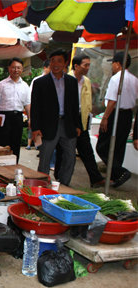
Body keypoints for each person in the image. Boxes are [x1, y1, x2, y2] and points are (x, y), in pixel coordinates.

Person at [31, 49, 81, 186]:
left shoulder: (71, 82)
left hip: (68, 124)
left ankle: (64, 184)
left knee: (70, 157)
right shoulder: (40, 83)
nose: (55, 64)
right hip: (48, 126)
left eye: (59, 61)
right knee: (45, 158)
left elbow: (75, 105)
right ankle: (41, 185)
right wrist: (35, 128)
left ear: (65, 63)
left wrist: (78, 125)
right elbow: (35, 107)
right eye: (52, 61)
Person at [58, 54, 105, 188]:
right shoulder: (66, 79)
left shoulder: (87, 81)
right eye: (85, 65)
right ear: (76, 66)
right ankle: (60, 178)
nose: (88, 68)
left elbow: (87, 100)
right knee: (65, 150)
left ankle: (95, 179)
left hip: (82, 118)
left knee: (86, 149)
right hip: (67, 118)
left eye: (89, 65)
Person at [96, 52, 138, 187]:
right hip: (127, 115)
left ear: (118, 64)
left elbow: (112, 101)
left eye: (113, 63)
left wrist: (105, 118)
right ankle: (115, 176)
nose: (112, 66)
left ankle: (121, 171)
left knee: (102, 147)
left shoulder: (116, 79)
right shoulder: (134, 79)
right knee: (119, 147)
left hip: (115, 114)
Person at [0, 57, 31, 163]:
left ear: (22, 69)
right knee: (1, 143)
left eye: (18, 68)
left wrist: (31, 119)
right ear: (9, 68)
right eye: (13, 67)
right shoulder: (1, 84)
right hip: (3, 117)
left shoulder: (25, 86)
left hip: (18, 117)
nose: (16, 70)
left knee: (15, 144)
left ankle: (14, 166)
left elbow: (27, 104)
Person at [27, 60, 50, 150]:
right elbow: (31, 100)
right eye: (50, 68)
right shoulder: (37, 81)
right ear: (45, 68)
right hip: (40, 116)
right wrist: (30, 118)